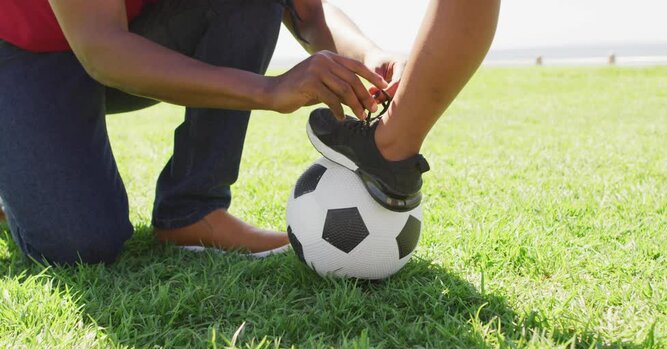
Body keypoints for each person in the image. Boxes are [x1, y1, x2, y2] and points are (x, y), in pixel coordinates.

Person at [0, 0, 500, 265]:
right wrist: (268, 90)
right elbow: (101, 48)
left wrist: (367, 56)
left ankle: (191, 210)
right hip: (27, 52)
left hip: (123, 37)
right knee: (80, 246)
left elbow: (307, 13)